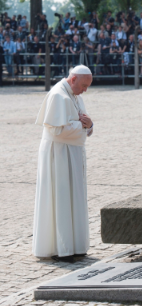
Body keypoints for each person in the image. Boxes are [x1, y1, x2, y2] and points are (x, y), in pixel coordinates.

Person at [33, 65, 93, 263]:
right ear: (73, 79)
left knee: (74, 198)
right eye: (83, 85)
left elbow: (85, 125)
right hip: (57, 154)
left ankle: (75, 245)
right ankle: (61, 247)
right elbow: (59, 130)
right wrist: (83, 126)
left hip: (73, 154)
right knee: (60, 198)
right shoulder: (59, 96)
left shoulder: (76, 96)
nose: (85, 90)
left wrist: (89, 125)